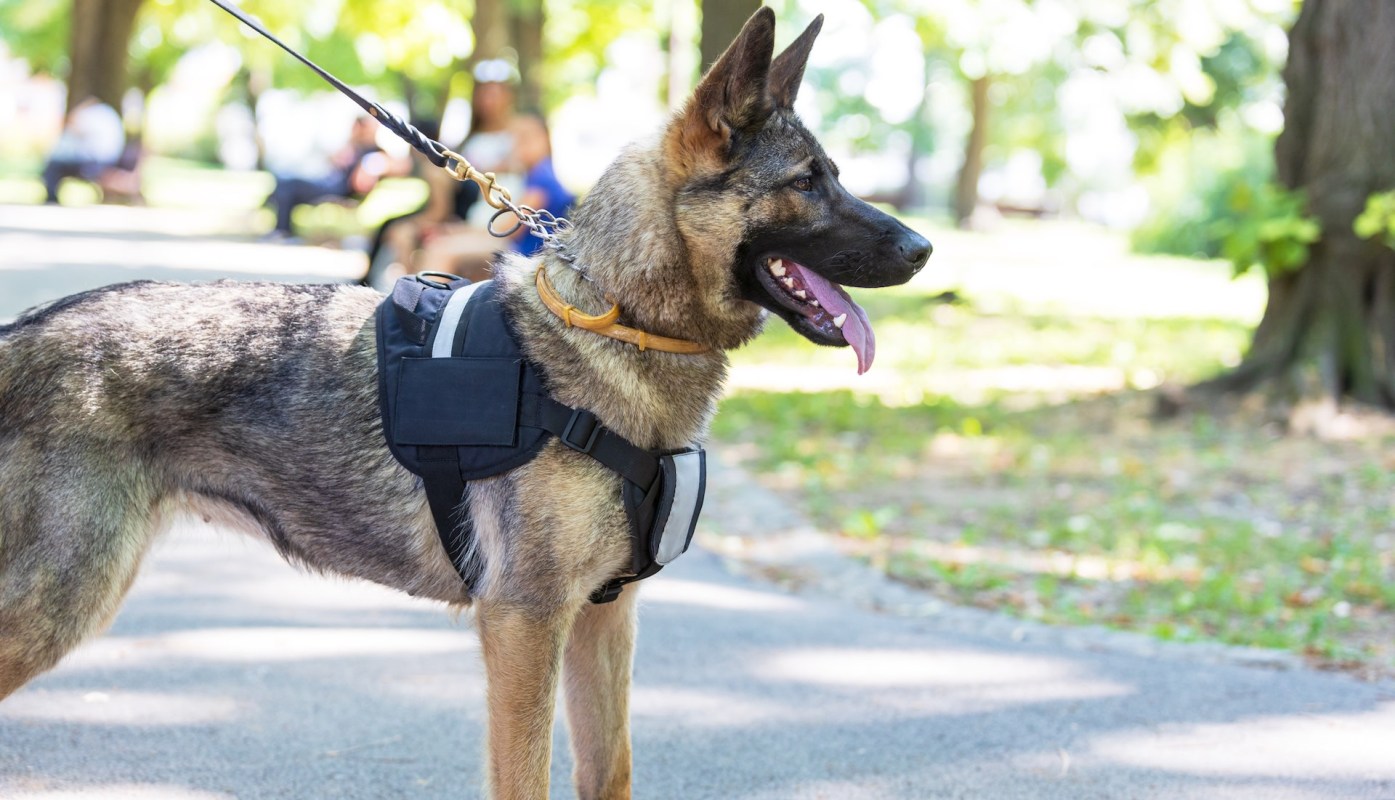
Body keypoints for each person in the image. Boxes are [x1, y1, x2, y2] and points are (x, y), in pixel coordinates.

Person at [264, 115, 388, 241]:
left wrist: (365, 168)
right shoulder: (353, 147)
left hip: (336, 188)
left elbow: (362, 183)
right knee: (284, 182)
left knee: (287, 184)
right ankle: (281, 225)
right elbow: (332, 161)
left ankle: (281, 227)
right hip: (329, 182)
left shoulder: (373, 153)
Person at [42, 97, 125, 204]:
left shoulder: (92, 115)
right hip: (108, 159)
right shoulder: (107, 114)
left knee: (55, 165)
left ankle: (51, 198)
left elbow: (75, 129)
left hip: (94, 162)